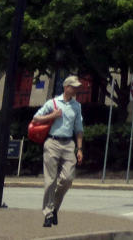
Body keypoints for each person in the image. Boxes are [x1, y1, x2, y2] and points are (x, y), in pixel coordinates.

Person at [34, 74, 85, 228]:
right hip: (52, 143)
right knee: (50, 181)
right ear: (66, 87)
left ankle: (54, 207)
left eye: (77, 87)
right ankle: (48, 214)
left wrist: (80, 148)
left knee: (68, 179)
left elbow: (79, 129)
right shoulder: (53, 103)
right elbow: (36, 119)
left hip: (69, 144)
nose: (76, 89)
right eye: (74, 86)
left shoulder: (77, 106)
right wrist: (52, 115)